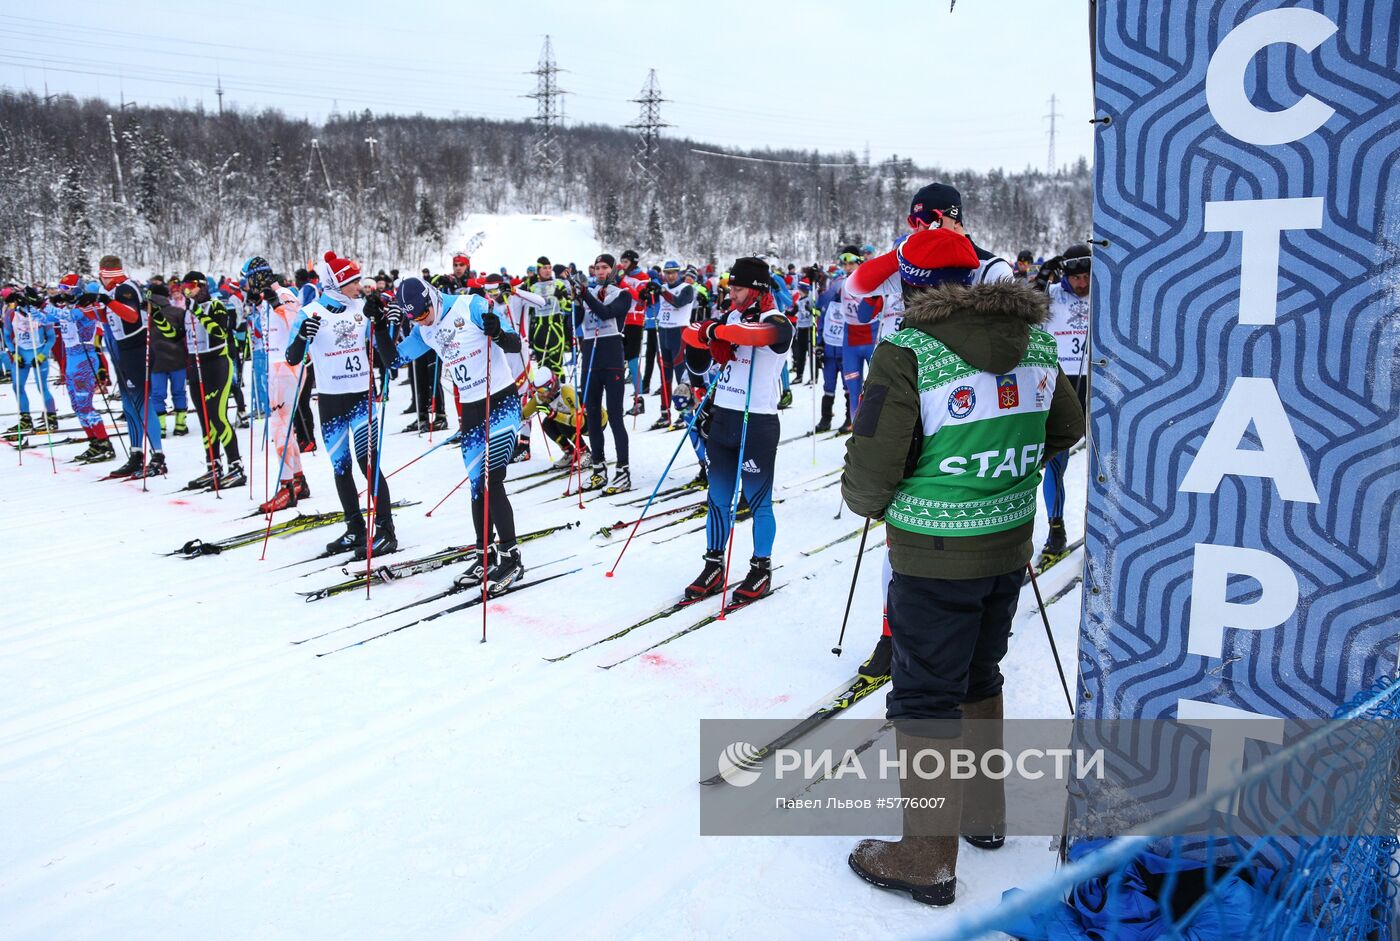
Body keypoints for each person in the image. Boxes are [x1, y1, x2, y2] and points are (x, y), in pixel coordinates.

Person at [840, 226, 1085, 906]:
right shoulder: (1035, 338)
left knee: (924, 693)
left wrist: (920, 474)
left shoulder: (908, 350)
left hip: (932, 548)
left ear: (913, 286)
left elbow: (869, 481)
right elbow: (1066, 428)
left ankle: (925, 855)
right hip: (1007, 542)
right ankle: (983, 813)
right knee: (980, 672)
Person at [391, 277, 526, 591]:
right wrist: (380, 326)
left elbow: (515, 343)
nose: (424, 320)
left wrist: (497, 331)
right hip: (471, 410)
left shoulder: (471, 305)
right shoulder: (424, 329)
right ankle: (485, 556)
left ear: (432, 297)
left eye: (424, 313)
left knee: (492, 479)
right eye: (415, 318)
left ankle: (511, 558)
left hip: (501, 401)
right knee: (477, 485)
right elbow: (392, 360)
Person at [681, 256, 793, 603]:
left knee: (758, 501)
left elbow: (758, 336)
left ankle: (761, 568)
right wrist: (702, 340)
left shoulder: (776, 320)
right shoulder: (730, 316)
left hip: (756, 421)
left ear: (757, 289)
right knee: (717, 498)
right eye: (730, 285)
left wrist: (715, 332)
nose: (731, 292)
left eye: (739, 287)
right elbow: (695, 344)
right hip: (725, 418)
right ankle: (713, 563)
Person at [286, 251, 397, 559]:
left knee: (369, 464)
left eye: (357, 280)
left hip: (361, 396)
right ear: (335, 283)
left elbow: (389, 351)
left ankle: (386, 531)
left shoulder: (363, 308)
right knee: (340, 467)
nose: (356, 287)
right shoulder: (310, 311)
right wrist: (302, 339)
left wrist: (383, 318)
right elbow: (292, 357)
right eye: (350, 282)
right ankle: (355, 528)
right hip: (331, 400)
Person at [241, 256, 312, 513]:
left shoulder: (286, 295)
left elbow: (298, 326)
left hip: (287, 367)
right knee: (286, 426)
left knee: (279, 428)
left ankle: (286, 487)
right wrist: (260, 305)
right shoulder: (266, 300)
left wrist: (276, 304)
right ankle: (298, 480)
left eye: (249, 280)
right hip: (275, 366)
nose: (246, 285)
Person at [1038, 243, 1091, 566]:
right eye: (1076, 279)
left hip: (1096, 381)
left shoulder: (1104, 291)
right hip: (1060, 382)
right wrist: (1043, 277)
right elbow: (1020, 310)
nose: (1082, 284)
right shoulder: (1052, 295)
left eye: (1086, 277)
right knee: (1056, 461)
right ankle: (1055, 529)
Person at [96, 254, 167, 478]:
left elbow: (131, 316)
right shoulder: (113, 292)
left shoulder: (124, 288)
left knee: (141, 404)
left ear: (106, 274)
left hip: (137, 349)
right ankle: (136, 454)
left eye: (101, 275)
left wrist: (107, 302)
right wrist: (92, 308)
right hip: (124, 350)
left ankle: (158, 456)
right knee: (129, 406)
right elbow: (111, 320)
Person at [571, 253, 632, 493]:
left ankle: (623, 470)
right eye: (596, 268)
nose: (599, 271)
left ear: (613, 270)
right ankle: (598, 468)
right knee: (592, 417)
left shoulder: (622, 294)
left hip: (612, 358)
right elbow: (574, 323)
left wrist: (585, 294)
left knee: (615, 417)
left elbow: (608, 313)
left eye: (605, 267)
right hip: (590, 359)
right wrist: (576, 301)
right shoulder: (588, 294)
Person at [47, 277, 116, 462]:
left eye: (67, 288)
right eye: (61, 288)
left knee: (85, 405)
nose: (63, 292)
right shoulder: (67, 308)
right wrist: (29, 306)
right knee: (76, 406)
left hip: (84, 359)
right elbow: (45, 318)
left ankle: (104, 443)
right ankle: (93, 442)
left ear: (78, 289)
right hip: (71, 360)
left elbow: (71, 317)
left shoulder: (85, 307)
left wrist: (44, 304)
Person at [520, 365, 603, 469]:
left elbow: (579, 422)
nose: (540, 394)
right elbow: (524, 414)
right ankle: (570, 452)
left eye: (542, 389)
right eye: (537, 390)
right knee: (547, 423)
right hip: (576, 422)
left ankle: (586, 452)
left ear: (552, 385)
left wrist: (554, 414)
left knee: (561, 421)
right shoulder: (541, 397)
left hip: (596, 421)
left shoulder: (566, 391)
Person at [3, 288, 59, 434]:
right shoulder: (11, 314)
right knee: (17, 386)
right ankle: (25, 419)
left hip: (38, 352)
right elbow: (7, 337)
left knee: (42, 387)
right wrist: (14, 353)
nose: (16, 305)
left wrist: (43, 354)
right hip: (21, 353)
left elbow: (51, 337)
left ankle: (51, 418)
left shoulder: (40, 314)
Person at [651, 258, 695, 430]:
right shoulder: (663, 289)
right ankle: (665, 414)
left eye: (673, 273)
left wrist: (660, 290)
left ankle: (684, 413)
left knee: (680, 375)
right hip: (664, 332)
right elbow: (645, 301)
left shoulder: (686, 288)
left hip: (680, 333)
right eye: (667, 273)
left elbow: (678, 302)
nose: (670, 276)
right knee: (664, 375)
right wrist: (648, 292)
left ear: (679, 273)